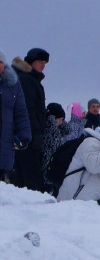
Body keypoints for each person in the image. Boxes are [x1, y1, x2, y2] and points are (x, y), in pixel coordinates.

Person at [11, 48, 49, 191]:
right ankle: (36, 205)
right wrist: (33, 133)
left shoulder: (29, 78)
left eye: (45, 62)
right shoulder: (26, 79)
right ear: (31, 61)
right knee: (31, 175)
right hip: (28, 135)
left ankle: (22, 206)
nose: (43, 65)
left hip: (23, 134)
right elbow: (26, 108)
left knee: (21, 175)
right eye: (40, 61)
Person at [0, 50, 32, 184]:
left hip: (5, 141)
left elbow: (20, 112)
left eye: (0, 62)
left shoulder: (13, 84)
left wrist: (24, 135)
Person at [41, 103, 69, 193]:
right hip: (47, 175)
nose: (61, 122)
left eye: (63, 120)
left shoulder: (55, 131)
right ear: (53, 119)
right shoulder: (51, 132)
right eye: (59, 120)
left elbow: (67, 130)